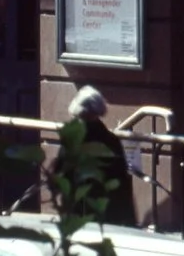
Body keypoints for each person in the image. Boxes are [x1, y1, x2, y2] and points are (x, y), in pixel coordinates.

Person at [52, 84, 134, 228]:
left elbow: (61, 170)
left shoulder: (75, 138)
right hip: (103, 211)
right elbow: (121, 181)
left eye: (81, 116)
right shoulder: (111, 141)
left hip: (83, 208)